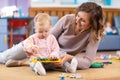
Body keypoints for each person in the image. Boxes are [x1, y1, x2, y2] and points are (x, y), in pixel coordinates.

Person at [0, 13, 78, 75]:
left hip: (50, 61)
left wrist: (54, 54)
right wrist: (32, 47)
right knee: (33, 62)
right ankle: (39, 69)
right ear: (35, 29)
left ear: (50, 28)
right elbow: (27, 44)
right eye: (40, 32)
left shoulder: (52, 38)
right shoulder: (33, 38)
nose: (43, 34)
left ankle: (69, 68)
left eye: (46, 31)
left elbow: (56, 48)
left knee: (61, 60)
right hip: (38, 60)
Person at [51, 2, 104, 70]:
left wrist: (70, 58)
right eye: (78, 16)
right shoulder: (67, 20)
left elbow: (87, 62)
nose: (77, 21)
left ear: (92, 24)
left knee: (66, 65)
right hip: (51, 52)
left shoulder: (94, 35)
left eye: (83, 20)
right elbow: (48, 38)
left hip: (65, 58)